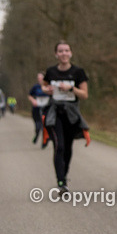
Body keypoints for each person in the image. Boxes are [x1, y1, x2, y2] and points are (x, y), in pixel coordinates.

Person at [42, 41, 90, 196]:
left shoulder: (78, 72)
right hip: (54, 114)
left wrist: (71, 88)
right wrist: (47, 89)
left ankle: (64, 176)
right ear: (56, 54)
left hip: (71, 115)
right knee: (59, 146)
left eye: (66, 50)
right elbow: (44, 86)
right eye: (60, 51)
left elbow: (84, 95)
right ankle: (61, 182)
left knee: (68, 148)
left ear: (71, 53)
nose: (63, 53)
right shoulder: (51, 71)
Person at [28, 73, 49, 143]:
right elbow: (29, 95)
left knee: (45, 125)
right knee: (38, 126)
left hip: (46, 109)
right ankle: (37, 134)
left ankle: (45, 140)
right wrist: (33, 100)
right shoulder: (35, 87)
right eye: (38, 78)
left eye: (41, 78)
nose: (39, 79)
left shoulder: (48, 86)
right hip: (36, 108)